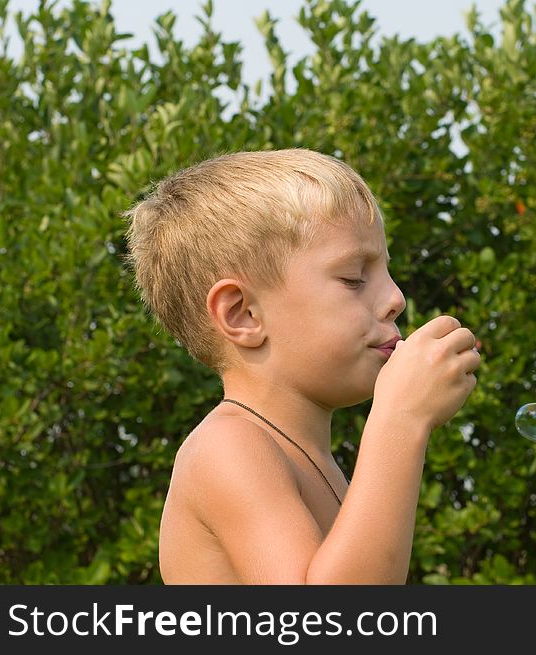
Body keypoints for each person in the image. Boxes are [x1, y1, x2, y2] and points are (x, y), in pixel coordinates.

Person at [123, 148, 480, 584]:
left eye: (387, 272)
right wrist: (400, 421)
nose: (396, 299)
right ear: (242, 314)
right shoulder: (228, 447)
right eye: (353, 278)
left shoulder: (313, 459)